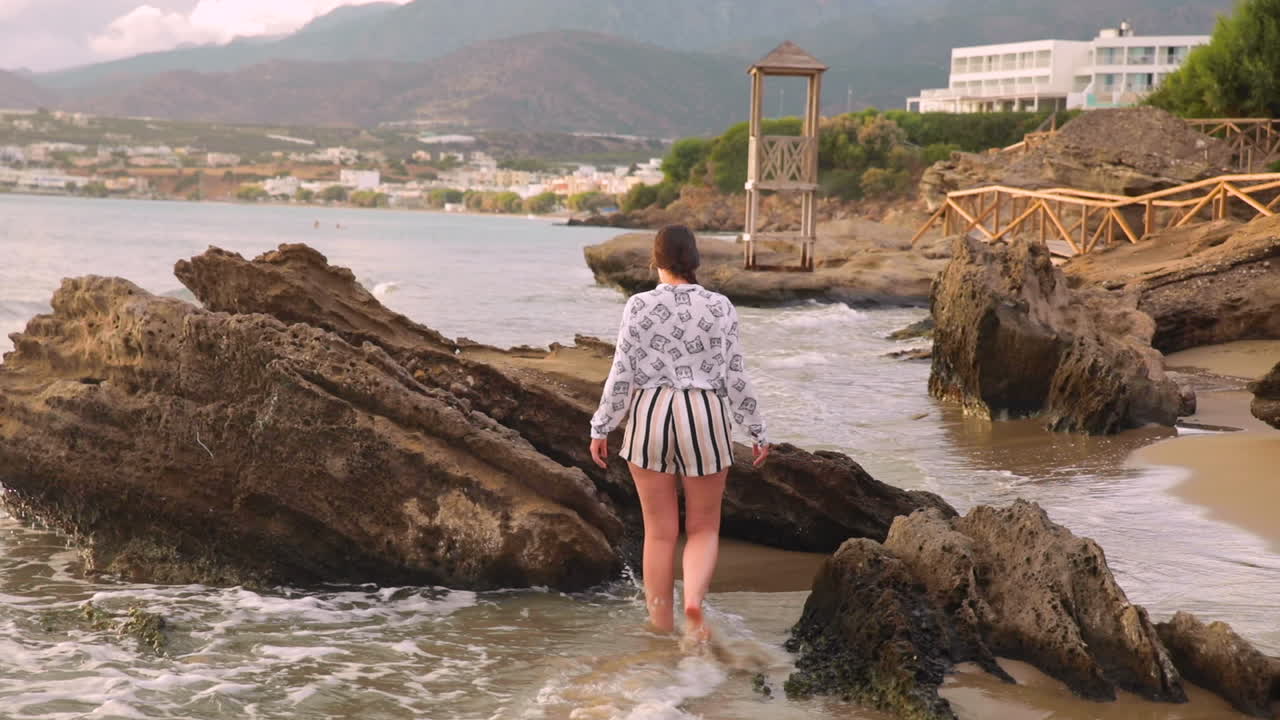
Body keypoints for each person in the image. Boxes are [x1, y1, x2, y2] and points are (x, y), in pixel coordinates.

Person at [589, 224, 770, 642]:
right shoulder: (721, 306)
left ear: (656, 261)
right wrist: (757, 429)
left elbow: (622, 373)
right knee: (704, 526)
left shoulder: (638, 305)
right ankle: (693, 602)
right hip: (704, 413)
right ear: (695, 260)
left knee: (659, 531)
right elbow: (735, 376)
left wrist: (602, 425)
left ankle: (659, 624)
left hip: (651, 412)